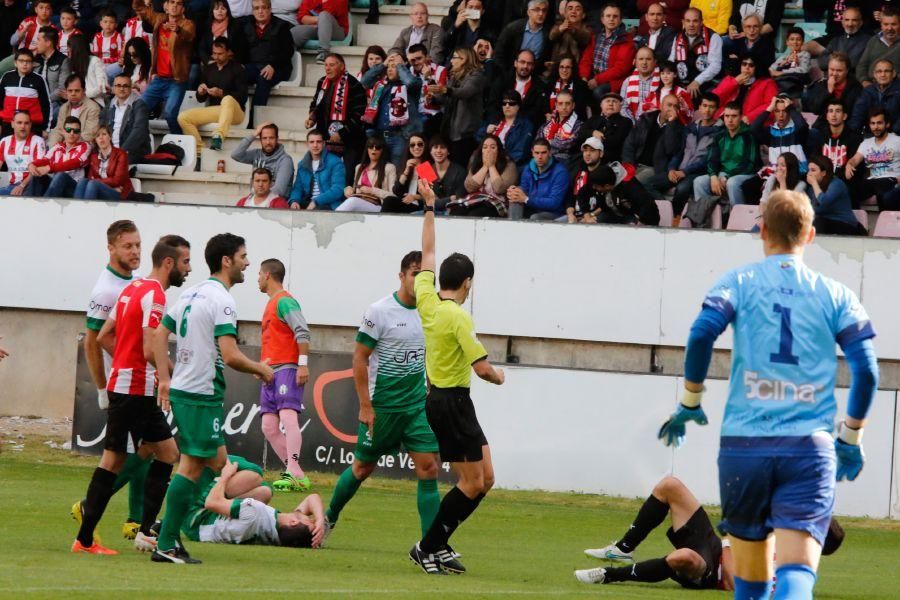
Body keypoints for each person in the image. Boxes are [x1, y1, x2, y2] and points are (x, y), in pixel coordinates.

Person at [656, 189, 878, 600]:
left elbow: (702, 332)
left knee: (752, 585)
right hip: (808, 450)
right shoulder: (836, 294)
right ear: (810, 235)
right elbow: (867, 370)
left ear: (762, 231)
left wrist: (690, 401)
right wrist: (851, 439)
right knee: (795, 576)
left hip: (745, 448)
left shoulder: (738, 281)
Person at [151, 233, 275, 563]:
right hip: (200, 395)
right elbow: (231, 354)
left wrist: (166, 378)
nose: (248, 263)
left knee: (215, 462)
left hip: (187, 391)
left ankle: (168, 534)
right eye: (244, 256)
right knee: (192, 468)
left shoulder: (191, 292)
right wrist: (260, 369)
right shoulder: (223, 300)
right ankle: (166, 540)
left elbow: (160, 332)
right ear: (226, 261)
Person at [408, 178, 505, 575]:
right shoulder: (458, 316)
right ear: (467, 283)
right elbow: (482, 369)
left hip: (450, 401)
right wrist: (498, 376)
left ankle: (439, 543)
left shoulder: (427, 300)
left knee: (487, 479)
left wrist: (430, 207)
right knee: (470, 483)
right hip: (450, 402)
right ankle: (428, 546)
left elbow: (428, 250)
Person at [72, 235, 192, 556]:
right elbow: (148, 345)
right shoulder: (154, 295)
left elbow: (106, 335)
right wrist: (166, 378)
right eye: (185, 263)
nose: (188, 269)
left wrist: (126, 361)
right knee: (114, 460)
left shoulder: (131, 289)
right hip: (135, 389)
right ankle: (86, 539)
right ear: (169, 263)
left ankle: (143, 532)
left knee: (166, 453)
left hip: (126, 384)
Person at [324, 250, 445, 547]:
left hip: (416, 407)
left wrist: (432, 390)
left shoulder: (432, 311)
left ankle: (431, 545)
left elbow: (431, 353)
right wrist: (365, 405)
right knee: (363, 468)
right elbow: (360, 357)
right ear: (401, 275)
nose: (418, 279)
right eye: (414, 273)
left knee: (429, 466)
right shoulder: (379, 311)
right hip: (382, 407)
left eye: (424, 274)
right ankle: (329, 517)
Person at [75, 221, 151, 543]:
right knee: (137, 453)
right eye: (127, 246)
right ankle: (87, 506)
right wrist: (102, 389)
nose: (135, 252)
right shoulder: (105, 289)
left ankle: (135, 521)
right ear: (111, 248)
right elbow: (91, 343)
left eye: (137, 245)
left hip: (134, 380)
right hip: (121, 384)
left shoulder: (132, 281)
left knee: (144, 449)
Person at [576, 475, 734, 589]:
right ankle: (623, 549)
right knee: (670, 485)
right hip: (712, 546)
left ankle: (609, 574)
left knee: (684, 557)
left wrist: (728, 536)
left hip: (712, 574)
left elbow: (732, 582)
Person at [182, 457, 326, 547]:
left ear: (293, 523)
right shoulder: (276, 534)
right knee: (265, 491)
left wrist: (226, 475)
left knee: (254, 473)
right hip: (200, 529)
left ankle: (204, 460)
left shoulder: (255, 512)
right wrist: (320, 520)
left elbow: (211, 503)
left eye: (310, 521)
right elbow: (312, 498)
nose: (311, 517)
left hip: (194, 515)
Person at [256, 258, 312, 491]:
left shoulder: (284, 301)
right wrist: (260, 367)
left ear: (268, 275)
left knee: (288, 418)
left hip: (288, 369)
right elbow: (274, 340)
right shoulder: (271, 304)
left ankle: (294, 472)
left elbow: (303, 331)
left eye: (259, 273)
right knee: (268, 426)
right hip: (271, 373)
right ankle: (295, 472)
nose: (257, 278)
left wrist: (303, 364)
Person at [686, 102, 757, 227]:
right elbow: (712, 160)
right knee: (699, 181)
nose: (730, 120)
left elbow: (749, 164)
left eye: (734, 116)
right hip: (723, 173)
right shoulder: (719, 136)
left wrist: (726, 177)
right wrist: (713, 176)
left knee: (732, 183)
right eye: (727, 116)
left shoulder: (748, 135)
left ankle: (738, 222)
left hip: (745, 174)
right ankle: (704, 221)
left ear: (741, 117)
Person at [134, 0, 195, 134]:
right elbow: (139, 7)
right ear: (165, 6)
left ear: (183, 9)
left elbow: (189, 35)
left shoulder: (188, 24)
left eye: (178, 3)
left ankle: (180, 142)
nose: (174, 5)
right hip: (159, 79)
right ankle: (141, 141)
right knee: (139, 108)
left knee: (170, 114)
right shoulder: (159, 19)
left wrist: (177, 29)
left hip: (177, 80)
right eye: (171, 2)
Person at [177, 37, 248, 152]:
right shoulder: (209, 69)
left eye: (220, 54)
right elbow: (201, 99)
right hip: (216, 110)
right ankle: (200, 150)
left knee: (228, 99)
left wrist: (221, 93)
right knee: (183, 117)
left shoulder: (238, 69)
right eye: (214, 54)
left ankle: (218, 137)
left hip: (236, 112)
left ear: (229, 52)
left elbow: (243, 97)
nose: (216, 57)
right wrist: (200, 92)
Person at [306, 52, 367, 185]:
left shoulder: (354, 85)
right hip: (326, 139)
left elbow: (359, 115)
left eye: (332, 65)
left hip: (350, 141)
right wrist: (312, 117)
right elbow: (316, 102)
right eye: (326, 65)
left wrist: (342, 133)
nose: (327, 68)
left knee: (347, 177)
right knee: (325, 176)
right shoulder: (322, 82)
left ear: (342, 67)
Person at [742, 95, 810, 205]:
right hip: (775, 172)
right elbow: (753, 128)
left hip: (796, 173)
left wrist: (791, 108)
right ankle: (760, 215)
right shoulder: (771, 131)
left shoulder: (797, 130)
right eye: (777, 111)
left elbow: (803, 126)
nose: (781, 115)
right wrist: (769, 108)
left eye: (784, 111)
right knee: (747, 186)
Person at [662, 92, 722, 217]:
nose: (707, 110)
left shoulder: (720, 131)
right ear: (699, 107)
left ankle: (675, 219)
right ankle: (663, 215)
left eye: (711, 107)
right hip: (678, 171)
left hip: (697, 172)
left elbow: (709, 158)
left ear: (716, 109)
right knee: (650, 184)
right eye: (704, 106)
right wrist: (672, 168)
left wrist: (685, 172)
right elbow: (679, 152)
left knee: (682, 189)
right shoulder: (690, 127)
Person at [360, 54, 424, 169]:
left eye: (393, 66)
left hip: (400, 137)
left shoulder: (412, 85)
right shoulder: (381, 85)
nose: (389, 69)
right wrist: (383, 65)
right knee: (380, 174)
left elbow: (410, 82)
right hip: (379, 138)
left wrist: (400, 65)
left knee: (398, 172)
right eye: (388, 67)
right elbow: (364, 81)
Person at [431, 48, 486, 165]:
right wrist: (433, 98)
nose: (451, 61)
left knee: (460, 166)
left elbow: (465, 92)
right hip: (449, 131)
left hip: (464, 134)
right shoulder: (454, 76)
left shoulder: (476, 75)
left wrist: (446, 90)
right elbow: (445, 98)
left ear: (463, 60)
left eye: (454, 57)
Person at [622, 94, 685, 190]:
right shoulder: (645, 119)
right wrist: (629, 166)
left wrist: (671, 124)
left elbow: (670, 150)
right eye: (669, 105)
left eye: (675, 107)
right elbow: (629, 144)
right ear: (660, 106)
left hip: (655, 169)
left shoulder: (679, 128)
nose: (671, 109)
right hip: (634, 165)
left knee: (631, 185)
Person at [239, 0, 294, 108]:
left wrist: (273, 65)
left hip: (278, 67)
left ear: (270, 9)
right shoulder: (246, 25)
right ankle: (240, 113)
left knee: (263, 78)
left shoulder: (282, 26)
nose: (260, 11)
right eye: (256, 8)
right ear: (252, 11)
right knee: (237, 74)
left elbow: (287, 51)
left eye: (263, 8)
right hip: (254, 66)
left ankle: (255, 119)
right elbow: (242, 49)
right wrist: (240, 64)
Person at [449, 134, 518, 217]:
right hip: (476, 200)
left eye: (492, 147)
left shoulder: (509, 164)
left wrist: (491, 166)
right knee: (456, 212)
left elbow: (499, 188)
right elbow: (469, 187)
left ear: (499, 150)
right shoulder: (476, 163)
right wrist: (485, 166)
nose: (488, 150)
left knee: (475, 214)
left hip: (496, 203)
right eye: (485, 147)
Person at [845, 109, 900, 210]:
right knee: (848, 192)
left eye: (879, 123)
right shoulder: (866, 143)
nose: (876, 127)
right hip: (873, 182)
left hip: (892, 180)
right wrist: (849, 165)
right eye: (873, 123)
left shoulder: (897, 141)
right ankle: (856, 222)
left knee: (885, 194)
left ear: (887, 124)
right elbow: (855, 159)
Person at [25, 115, 91, 197]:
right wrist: (32, 164)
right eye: (68, 130)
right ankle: (31, 205)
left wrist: (50, 168)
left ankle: (47, 204)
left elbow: (76, 162)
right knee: (38, 176)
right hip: (56, 185)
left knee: (61, 175)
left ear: (80, 133)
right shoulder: (57, 147)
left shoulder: (85, 146)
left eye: (76, 131)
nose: (72, 133)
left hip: (74, 187)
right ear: (63, 131)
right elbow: (46, 160)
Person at [579, 3, 636, 97]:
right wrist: (584, 77)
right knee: (578, 88)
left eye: (615, 16)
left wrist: (597, 80)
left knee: (598, 92)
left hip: (613, 81)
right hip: (593, 78)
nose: (611, 19)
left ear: (620, 20)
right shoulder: (595, 37)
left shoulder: (626, 40)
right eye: (608, 16)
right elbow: (586, 60)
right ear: (602, 19)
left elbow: (620, 69)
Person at [581, 160, 661, 225]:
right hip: (611, 213)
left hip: (632, 216)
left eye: (597, 187)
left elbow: (649, 207)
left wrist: (641, 224)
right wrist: (587, 215)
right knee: (593, 225)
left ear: (607, 186)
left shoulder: (631, 187)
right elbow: (583, 193)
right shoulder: (600, 179)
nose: (594, 188)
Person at [508, 138, 570, 220]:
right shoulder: (528, 169)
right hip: (531, 209)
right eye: (537, 153)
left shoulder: (560, 172)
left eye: (543, 153)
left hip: (553, 213)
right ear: (532, 153)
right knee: (516, 195)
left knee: (535, 217)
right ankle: (513, 227)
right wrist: (513, 191)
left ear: (550, 153)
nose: (540, 157)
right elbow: (524, 190)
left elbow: (554, 203)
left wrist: (527, 199)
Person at [806, 154, 867, 236]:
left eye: (813, 170)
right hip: (826, 225)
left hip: (846, 226)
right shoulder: (812, 189)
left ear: (823, 173)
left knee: (818, 221)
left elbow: (823, 203)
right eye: (808, 170)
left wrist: (814, 183)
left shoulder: (836, 184)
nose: (809, 174)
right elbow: (814, 210)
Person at [230, 122, 295, 198]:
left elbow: (279, 190)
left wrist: (256, 199)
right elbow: (235, 154)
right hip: (256, 202)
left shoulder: (285, 160)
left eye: (271, 138)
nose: (268, 142)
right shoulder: (256, 154)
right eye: (264, 138)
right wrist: (254, 134)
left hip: (275, 205)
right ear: (260, 139)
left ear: (277, 139)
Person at [669, 7, 723, 98]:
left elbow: (715, 66)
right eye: (688, 21)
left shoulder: (713, 37)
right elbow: (671, 61)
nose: (691, 24)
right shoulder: (677, 37)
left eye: (695, 21)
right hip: (682, 85)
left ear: (701, 22)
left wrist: (697, 81)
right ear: (683, 22)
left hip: (706, 86)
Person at [802, 53, 864, 132]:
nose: (834, 74)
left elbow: (856, 116)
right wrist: (828, 92)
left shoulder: (856, 88)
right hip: (823, 127)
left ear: (847, 71)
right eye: (831, 70)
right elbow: (815, 109)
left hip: (847, 129)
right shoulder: (821, 85)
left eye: (839, 70)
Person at [487, 49, 548, 128]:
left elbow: (536, 112)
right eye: (522, 62)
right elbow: (493, 104)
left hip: (522, 128)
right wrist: (498, 122)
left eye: (529, 64)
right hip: (498, 123)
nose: (525, 66)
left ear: (533, 66)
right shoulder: (503, 80)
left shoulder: (539, 86)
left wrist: (517, 124)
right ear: (515, 63)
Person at [288, 128, 346, 210]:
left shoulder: (335, 162)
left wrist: (316, 201)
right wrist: (294, 201)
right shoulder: (302, 165)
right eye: (312, 142)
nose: (315, 145)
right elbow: (298, 188)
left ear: (324, 143)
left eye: (318, 142)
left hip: (328, 205)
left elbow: (338, 189)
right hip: (308, 202)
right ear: (307, 144)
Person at [73, 125, 134, 201]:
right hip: (105, 189)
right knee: (82, 181)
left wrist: (97, 181)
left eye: (104, 134)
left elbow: (118, 180)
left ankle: (87, 211)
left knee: (93, 184)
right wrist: (99, 182)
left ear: (110, 137)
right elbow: (90, 178)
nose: (101, 138)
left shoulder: (121, 154)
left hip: (120, 193)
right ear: (95, 140)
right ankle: (77, 209)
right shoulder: (94, 157)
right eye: (98, 136)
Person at [336, 135, 396, 212]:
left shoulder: (389, 167)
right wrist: (348, 190)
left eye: (377, 147)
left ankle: (331, 220)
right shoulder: (359, 167)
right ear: (367, 149)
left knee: (353, 202)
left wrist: (372, 190)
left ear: (382, 150)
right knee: (352, 201)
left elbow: (393, 196)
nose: (374, 149)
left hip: (379, 206)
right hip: (359, 203)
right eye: (371, 146)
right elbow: (355, 190)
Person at [100, 74, 151, 165]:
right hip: (110, 152)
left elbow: (139, 131)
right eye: (118, 85)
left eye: (125, 86)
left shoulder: (139, 105)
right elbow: (100, 129)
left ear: (131, 88)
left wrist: (120, 152)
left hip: (131, 153)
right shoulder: (109, 107)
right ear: (113, 88)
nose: (121, 89)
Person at [0, 49, 52, 137]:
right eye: (21, 61)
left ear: (33, 64)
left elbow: (46, 105)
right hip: (8, 124)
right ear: (15, 63)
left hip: (32, 125)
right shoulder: (6, 77)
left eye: (28, 61)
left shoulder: (39, 80)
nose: (25, 64)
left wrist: (46, 129)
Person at [477, 90, 534, 168]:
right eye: (504, 103)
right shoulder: (495, 119)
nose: (507, 106)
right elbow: (477, 136)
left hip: (509, 165)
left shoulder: (526, 125)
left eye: (512, 103)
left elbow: (520, 152)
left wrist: (499, 160)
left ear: (518, 106)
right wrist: (486, 130)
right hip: (487, 161)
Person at [808, 100, 862, 183]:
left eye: (838, 111)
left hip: (845, 183)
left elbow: (854, 168)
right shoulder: (820, 136)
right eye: (830, 111)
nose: (833, 115)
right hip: (823, 180)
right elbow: (815, 160)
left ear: (844, 116)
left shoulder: (854, 137)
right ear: (827, 116)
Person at [711, 56, 776, 123]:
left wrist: (750, 117)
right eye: (744, 64)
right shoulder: (730, 79)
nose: (747, 67)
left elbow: (771, 105)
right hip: (724, 119)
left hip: (748, 123)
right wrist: (734, 82)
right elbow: (713, 99)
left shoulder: (767, 83)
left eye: (751, 65)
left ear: (757, 67)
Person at [806, 6, 870, 70]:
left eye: (854, 20)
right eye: (847, 20)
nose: (850, 24)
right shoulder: (836, 40)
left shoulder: (868, 41)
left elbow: (859, 64)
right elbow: (822, 62)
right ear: (842, 22)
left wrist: (834, 59)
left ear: (861, 23)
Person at [575, 92, 633, 164]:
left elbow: (617, 141)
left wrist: (599, 139)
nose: (611, 104)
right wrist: (593, 133)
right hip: (585, 156)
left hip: (610, 159)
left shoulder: (626, 122)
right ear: (601, 105)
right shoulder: (593, 119)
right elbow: (580, 134)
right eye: (607, 101)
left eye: (614, 101)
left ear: (620, 107)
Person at [494, 0, 551, 70]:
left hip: (533, 75)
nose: (541, 13)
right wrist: (505, 75)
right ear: (529, 12)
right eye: (537, 10)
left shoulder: (547, 33)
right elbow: (499, 53)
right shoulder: (513, 29)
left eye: (544, 10)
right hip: (511, 72)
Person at [47, 74, 100, 148]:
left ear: (84, 91)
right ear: (66, 92)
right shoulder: (64, 108)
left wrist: (70, 143)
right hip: (65, 147)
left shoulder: (93, 108)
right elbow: (58, 131)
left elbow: (90, 134)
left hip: (84, 148)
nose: (73, 94)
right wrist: (53, 147)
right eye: (70, 91)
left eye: (77, 91)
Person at [849, 59, 900, 135]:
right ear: (874, 75)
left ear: (893, 74)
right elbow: (857, 115)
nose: (883, 74)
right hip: (871, 134)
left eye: (887, 71)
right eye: (879, 71)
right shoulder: (867, 92)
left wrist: (894, 132)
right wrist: (850, 133)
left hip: (895, 134)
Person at [0, 111, 45, 196]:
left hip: (31, 185)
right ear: (12, 124)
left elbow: (38, 170)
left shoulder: (38, 141)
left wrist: (22, 185)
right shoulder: (4, 142)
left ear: (30, 125)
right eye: (19, 123)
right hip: (12, 186)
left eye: (26, 123)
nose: (23, 126)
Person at [407, 44, 447, 140]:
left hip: (432, 115)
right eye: (412, 60)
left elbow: (441, 97)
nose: (416, 62)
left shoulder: (440, 70)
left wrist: (429, 78)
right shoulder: (409, 71)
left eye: (419, 58)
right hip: (414, 115)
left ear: (427, 57)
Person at [563, 136, 605, 223]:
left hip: (595, 216)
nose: (587, 154)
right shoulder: (578, 172)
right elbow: (570, 197)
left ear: (601, 153)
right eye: (585, 150)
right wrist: (570, 214)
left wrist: (589, 216)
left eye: (592, 150)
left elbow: (606, 204)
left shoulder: (606, 173)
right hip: (576, 215)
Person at [383, 133, 429, 213]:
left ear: (425, 146)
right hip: (405, 203)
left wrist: (414, 197)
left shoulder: (426, 166)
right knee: (388, 200)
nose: (416, 147)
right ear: (409, 148)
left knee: (389, 201)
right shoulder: (406, 164)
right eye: (412, 145)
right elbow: (396, 191)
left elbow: (431, 195)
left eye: (420, 144)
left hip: (419, 205)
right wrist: (406, 171)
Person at [33, 27, 71, 123]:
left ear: (48, 43)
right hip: (34, 101)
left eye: (38, 40)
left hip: (54, 102)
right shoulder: (34, 58)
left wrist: (44, 100)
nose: (36, 43)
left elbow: (62, 89)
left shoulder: (63, 60)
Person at [196, 0, 242, 75]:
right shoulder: (207, 26)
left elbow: (241, 47)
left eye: (223, 9)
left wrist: (233, 61)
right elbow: (201, 48)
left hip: (231, 61)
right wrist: (208, 60)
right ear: (212, 11)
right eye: (216, 9)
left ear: (227, 11)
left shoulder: (235, 25)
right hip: (213, 61)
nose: (220, 11)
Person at [856, 7, 900, 86]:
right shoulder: (873, 41)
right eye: (886, 24)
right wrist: (864, 82)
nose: (889, 28)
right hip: (870, 87)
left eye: (893, 24)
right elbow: (862, 66)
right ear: (881, 25)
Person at [722, 12, 775, 77]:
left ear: (761, 28)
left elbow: (763, 68)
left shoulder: (768, 44)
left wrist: (738, 60)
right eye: (748, 27)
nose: (752, 30)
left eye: (755, 26)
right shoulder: (738, 42)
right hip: (738, 79)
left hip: (758, 81)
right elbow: (729, 65)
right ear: (743, 28)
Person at [537, 91, 581, 165]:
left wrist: (549, 141)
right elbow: (538, 141)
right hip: (543, 155)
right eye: (560, 104)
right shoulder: (548, 124)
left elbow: (568, 144)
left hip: (563, 159)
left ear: (573, 105)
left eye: (567, 103)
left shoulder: (578, 125)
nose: (564, 107)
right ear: (556, 105)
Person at [544, 55, 593, 121]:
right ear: (557, 68)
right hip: (551, 120)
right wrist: (547, 114)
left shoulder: (581, 86)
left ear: (573, 69)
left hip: (573, 122)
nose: (564, 70)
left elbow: (579, 109)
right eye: (561, 67)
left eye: (568, 67)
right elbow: (544, 104)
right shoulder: (550, 84)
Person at [646, 60, 694, 124]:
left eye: (668, 73)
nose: (665, 76)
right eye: (662, 73)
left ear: (675, 75)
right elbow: (647, 110)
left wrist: (683, 106)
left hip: (675, 126)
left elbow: (690, 114)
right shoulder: (654, 93)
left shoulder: (681, 92)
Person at [620, 47, 660, 123]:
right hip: (632, 124)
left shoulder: (661, 80)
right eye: (641, 59)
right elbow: (623, 107)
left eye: (648, 59)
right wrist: (634, 123)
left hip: (655, 123)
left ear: (655, 62)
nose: (644, 62)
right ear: (635, 62)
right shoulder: (627, 81)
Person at [547, 0, 592, 68]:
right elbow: (551, 36)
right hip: (558, 67)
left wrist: (573, 30)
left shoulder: (587, 28)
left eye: (577, 9)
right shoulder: (559, 24)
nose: (573, 11)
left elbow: (585, 39)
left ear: (583, 15)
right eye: (570, 8)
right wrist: (560, 29)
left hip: (577, 69)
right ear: (565, 13)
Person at [67, 34, 109, 104]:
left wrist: (83, 95)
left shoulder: (95, 61)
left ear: (76, 49)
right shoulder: (73, 64)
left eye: (69, 49)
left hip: (94, 102)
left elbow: (102, 87)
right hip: (77, 102)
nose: (68, 52)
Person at [769, 27, 811, 98]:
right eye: (792, 39)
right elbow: (771, 70)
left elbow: (804, 70)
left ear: (803, 42)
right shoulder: (783, 58)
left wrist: (782, 72)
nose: (795, 42)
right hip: (782, 82)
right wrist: (783, 63)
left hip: (797, 83)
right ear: (787, 42)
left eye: (798, 39)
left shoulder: (805, 54)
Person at [91, 10, 124, 81]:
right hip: (100, 64)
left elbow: (120, 57)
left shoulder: (119, 37)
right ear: (101, 23)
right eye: (105, 22)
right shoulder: (97, 37)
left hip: (114, 65)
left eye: (111, 22)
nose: (108, 24)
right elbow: (95, 54)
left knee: (105, 73)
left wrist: (105, 60)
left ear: (116, 24)